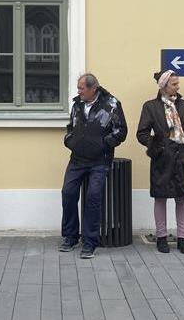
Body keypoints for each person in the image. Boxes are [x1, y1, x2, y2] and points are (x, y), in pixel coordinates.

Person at [60, 74, 127, 259]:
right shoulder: (77, 105)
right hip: (77, 159)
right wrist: (69, 141)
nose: (78, 91)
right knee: (68, 193)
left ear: (93, 89)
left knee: (93, 197)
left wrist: (104, 144)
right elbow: (71, 127)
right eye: (79, 87)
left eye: (81, 88)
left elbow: (121, 130)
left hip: (100, 160)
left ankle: (89, 242)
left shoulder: (111, 104)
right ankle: (70, 236)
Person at [136, 70, 184, 254]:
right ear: (163, 86)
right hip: (163, 158)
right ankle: (162, 237)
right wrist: (157, 147)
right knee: (160, 196)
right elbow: (142, 133)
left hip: (183, 158)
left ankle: (182, 238)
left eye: (177, 83)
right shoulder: (150, 107)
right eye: (174, 84)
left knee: (182, 198)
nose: (178, 86)